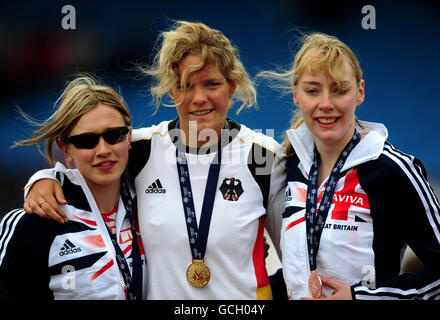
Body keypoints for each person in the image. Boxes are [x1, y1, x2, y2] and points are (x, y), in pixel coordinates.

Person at [22, 21, 286, 300]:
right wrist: (43, 179)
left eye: (212, 84)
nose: (199, 98)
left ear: (232, 86)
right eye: (186, 85)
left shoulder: (264, 156)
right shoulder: (140, 148)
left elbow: (295, 259)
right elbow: (90, 160)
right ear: (172, 90)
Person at [260, 32, 440, 300]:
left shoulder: (392, 170)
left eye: (339, 90)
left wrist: (362, 298)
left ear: (360, 92)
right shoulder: (291, 167)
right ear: (296, 96)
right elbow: (299, 272)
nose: (326, 104)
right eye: (312, 91)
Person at [0, 76, 147, 300]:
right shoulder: (32, 225)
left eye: (114, 135)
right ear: (65, 149)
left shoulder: (154, 204)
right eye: (86, 141)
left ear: (129, 137)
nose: (103, 150)